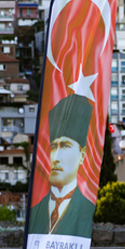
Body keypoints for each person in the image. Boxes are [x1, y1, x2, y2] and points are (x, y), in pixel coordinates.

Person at [28, 94, 96, 237]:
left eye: (65, 146)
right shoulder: (34, 212)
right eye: (54, 147)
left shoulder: (88, 209)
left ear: (82, 155)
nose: (56, 157)